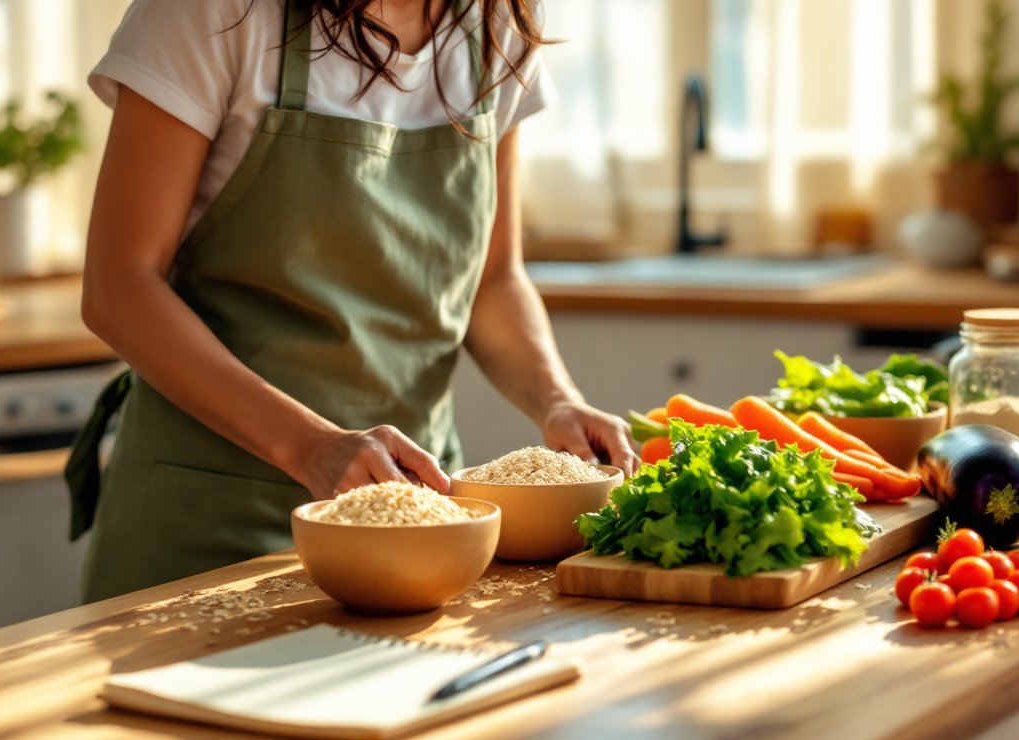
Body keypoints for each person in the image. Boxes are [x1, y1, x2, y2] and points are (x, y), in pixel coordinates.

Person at [67, 0, 637, 603]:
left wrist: (557, 401)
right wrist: (312, 446)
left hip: (412, 522)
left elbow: (492, 280)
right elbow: (119, 287)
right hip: (210, 524)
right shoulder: (211, 14)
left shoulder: (497, 27)